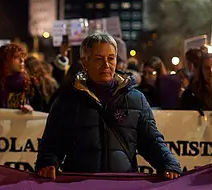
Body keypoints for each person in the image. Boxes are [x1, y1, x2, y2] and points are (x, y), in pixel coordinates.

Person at [35, 32, 181, 178]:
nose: (106, 65)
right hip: (79, 189)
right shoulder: (67, 100)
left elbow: (151, 141)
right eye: (98, 59)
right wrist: (47, 163)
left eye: (111, 58)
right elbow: (51, 143)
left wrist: (169, 164)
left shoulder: (136, 99)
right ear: (85, 62)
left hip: (122, 188)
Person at [0, 43, 45, 112]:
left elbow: (41, 111)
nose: (22, 60)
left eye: (22, 57)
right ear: (4, 62)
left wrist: (31, 110)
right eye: (16, 57)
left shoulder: (30, 84)